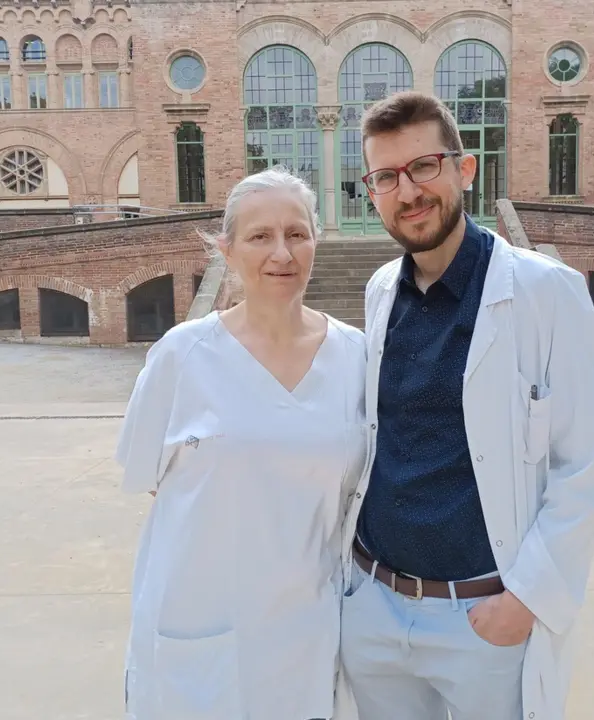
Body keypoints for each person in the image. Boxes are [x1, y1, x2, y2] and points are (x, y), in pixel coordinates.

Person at [337, 91, 594, 720]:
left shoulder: (546, 292)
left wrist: (526, 599)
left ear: (465, 170)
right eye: (386, 177)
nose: (408, 192)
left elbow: (586, 464)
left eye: (423, 167)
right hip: (375, 608)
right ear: (372, 191)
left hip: (483, 617)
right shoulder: (382, 289)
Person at [114, 165, 371, 720]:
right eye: (260, 236)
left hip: (307, 631)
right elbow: (150, 483)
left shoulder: (358, 357)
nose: (281, 253)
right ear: (226, 251)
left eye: (296, 233)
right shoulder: (181, 357)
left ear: (315, 242)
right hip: (199, 626)